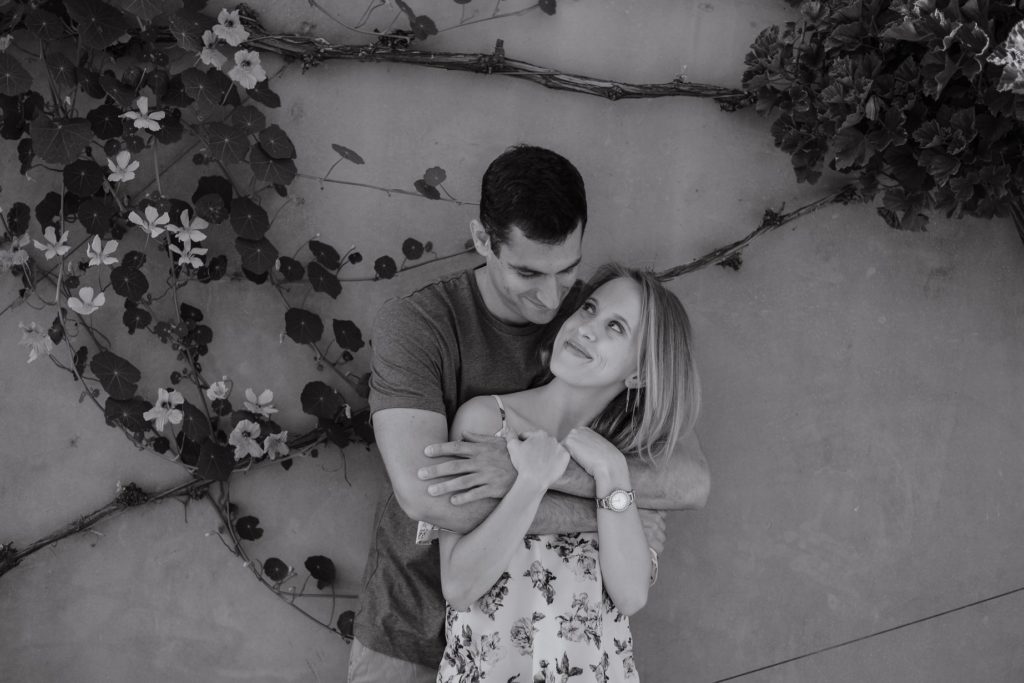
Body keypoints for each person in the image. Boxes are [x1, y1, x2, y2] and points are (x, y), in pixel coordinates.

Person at [348, 145, 710, 682]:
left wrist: (574, 475)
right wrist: (610, 514)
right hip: (412, 622)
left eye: (568, 273)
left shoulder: (596, 327)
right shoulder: (420, 325)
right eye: (527, 273)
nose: (551, 300)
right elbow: (428, 498)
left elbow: (689, 483)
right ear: (481, 241)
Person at [436, 263, 700, 681]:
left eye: (616, 327)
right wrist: (533, 481)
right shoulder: (488, 421)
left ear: (639, 374)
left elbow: (630, 597)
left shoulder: (633, 461)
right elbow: (459, 586)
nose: (586, 327)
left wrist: (611, 472)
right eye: (589, 309)